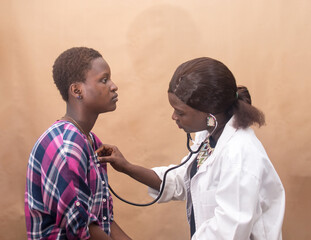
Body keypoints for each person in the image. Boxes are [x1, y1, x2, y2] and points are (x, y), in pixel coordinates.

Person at [96, 57, 285, 240]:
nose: (174, 117)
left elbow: (229, 232)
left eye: (180, 112)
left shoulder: (239, 154)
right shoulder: (210, 137)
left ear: (210, 114)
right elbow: (182, 180)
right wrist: (127, 167)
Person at [25, 47, 131, 240]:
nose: (114, 86)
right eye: (104, 79)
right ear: (76, 90)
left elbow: (102, 220)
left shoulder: (90, 140)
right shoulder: (67, 146)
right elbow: (83, 230)